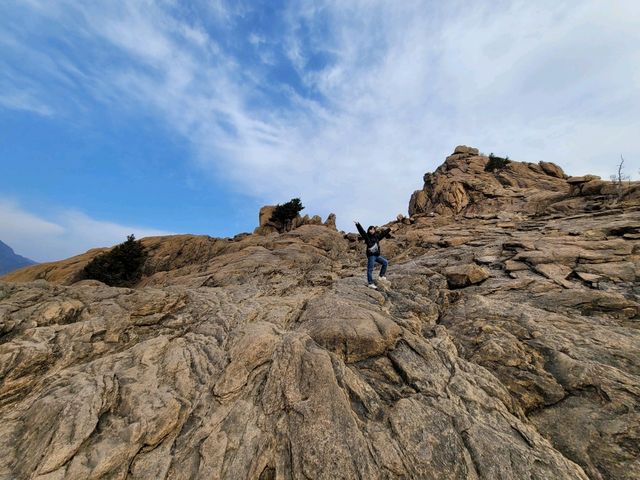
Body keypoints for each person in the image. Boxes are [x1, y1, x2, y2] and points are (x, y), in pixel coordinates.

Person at [354, 221, 391, 289]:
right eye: (370, 229)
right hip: (371, 256)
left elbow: (383, 234)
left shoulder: (377, 237)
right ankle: (370, 283)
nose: (372, 230)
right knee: (370, 269)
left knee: (385, 262)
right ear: (369, 230)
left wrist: (389, 229)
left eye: (373, 229)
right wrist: (358, 224)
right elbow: (362, 231)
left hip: (377, 255)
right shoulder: (367, 237)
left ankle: (381, 276)